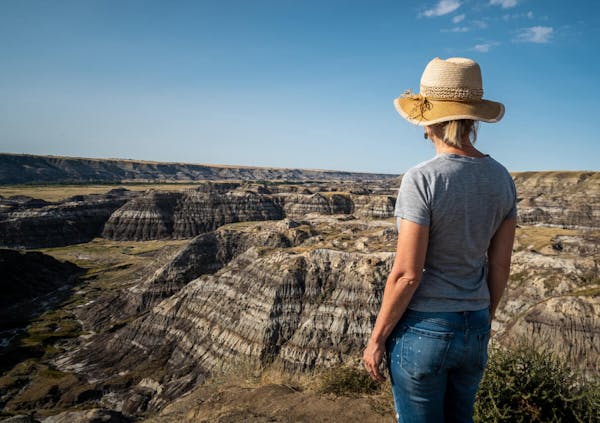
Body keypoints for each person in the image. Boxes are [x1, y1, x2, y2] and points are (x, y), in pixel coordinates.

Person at [362, 57, 517, 422]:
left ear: (430, 120)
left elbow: (407, 274)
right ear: (472, 119)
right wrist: (481, 318)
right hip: (475, 325)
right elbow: (500, 264)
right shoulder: (502, 179)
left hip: (425, 330)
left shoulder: (422, 179)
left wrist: (376, 339)